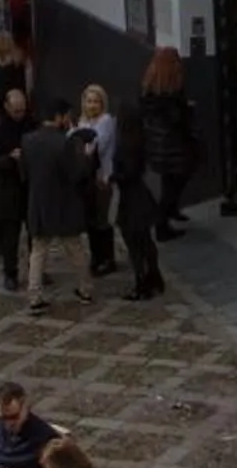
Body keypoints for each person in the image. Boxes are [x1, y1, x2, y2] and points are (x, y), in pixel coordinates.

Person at [19, 106, 95, 312]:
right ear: (59, 117)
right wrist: (86, 157)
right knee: (75, 249)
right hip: (65, 204)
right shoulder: (66, 143)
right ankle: (85, 289)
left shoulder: (28, 140)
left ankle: (34, 296)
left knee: (38, 251)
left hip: (40, 203)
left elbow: (24, 173)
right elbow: (77, 174)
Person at [137, 45, 200, 237]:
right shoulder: (172, 92)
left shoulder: (149, 89)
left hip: (157, 145)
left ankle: (169, 212)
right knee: (174, 183)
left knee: (168, 182)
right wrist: (188, 110)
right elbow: (176, 119)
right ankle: (162, 224)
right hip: (174, 146)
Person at [109, 108, 164, 300]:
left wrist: (112, 177)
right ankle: (155, 277)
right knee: (146, 241)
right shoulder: (140, 141)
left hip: (129, 200)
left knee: (134, 245)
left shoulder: (124, 146)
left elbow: (126, 174)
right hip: (142, 197)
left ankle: (142, 284)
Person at [0, 87, 33, 291]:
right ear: (7, 107)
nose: (20, 114)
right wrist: (9, 158)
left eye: (22, 110)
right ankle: (10, 272)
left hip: (29, 187)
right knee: (10, 236)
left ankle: (36, 269)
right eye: (16, 111)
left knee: (35, 233)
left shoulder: (31, 124)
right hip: (8, 188)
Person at [76, 85, 120, 278]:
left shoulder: (106, 121)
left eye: (96, 101)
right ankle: (96, 256)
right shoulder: (82, 121)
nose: (92, 105)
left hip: (102, 176)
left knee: (102, 219)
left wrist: (84, 144)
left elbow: (98, 146)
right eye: (89, 101)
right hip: (86, 178)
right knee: (91, 220)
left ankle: (108, 259)